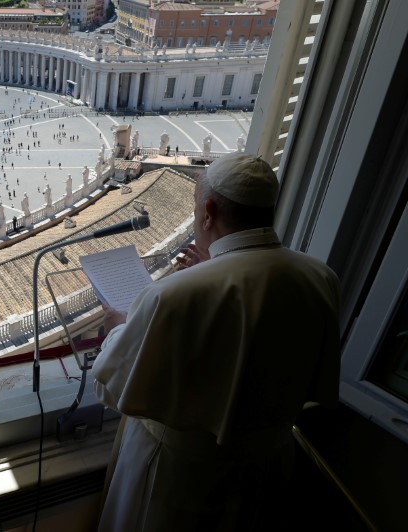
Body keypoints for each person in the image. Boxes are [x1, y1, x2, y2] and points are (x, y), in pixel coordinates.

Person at [92, 153, 341, 531]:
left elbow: (112, 388)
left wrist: (118, 327)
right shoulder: (320, 277)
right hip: (270, 469)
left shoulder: (170, 295)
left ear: (208, 211)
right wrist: (211, 267)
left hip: (180, 480)